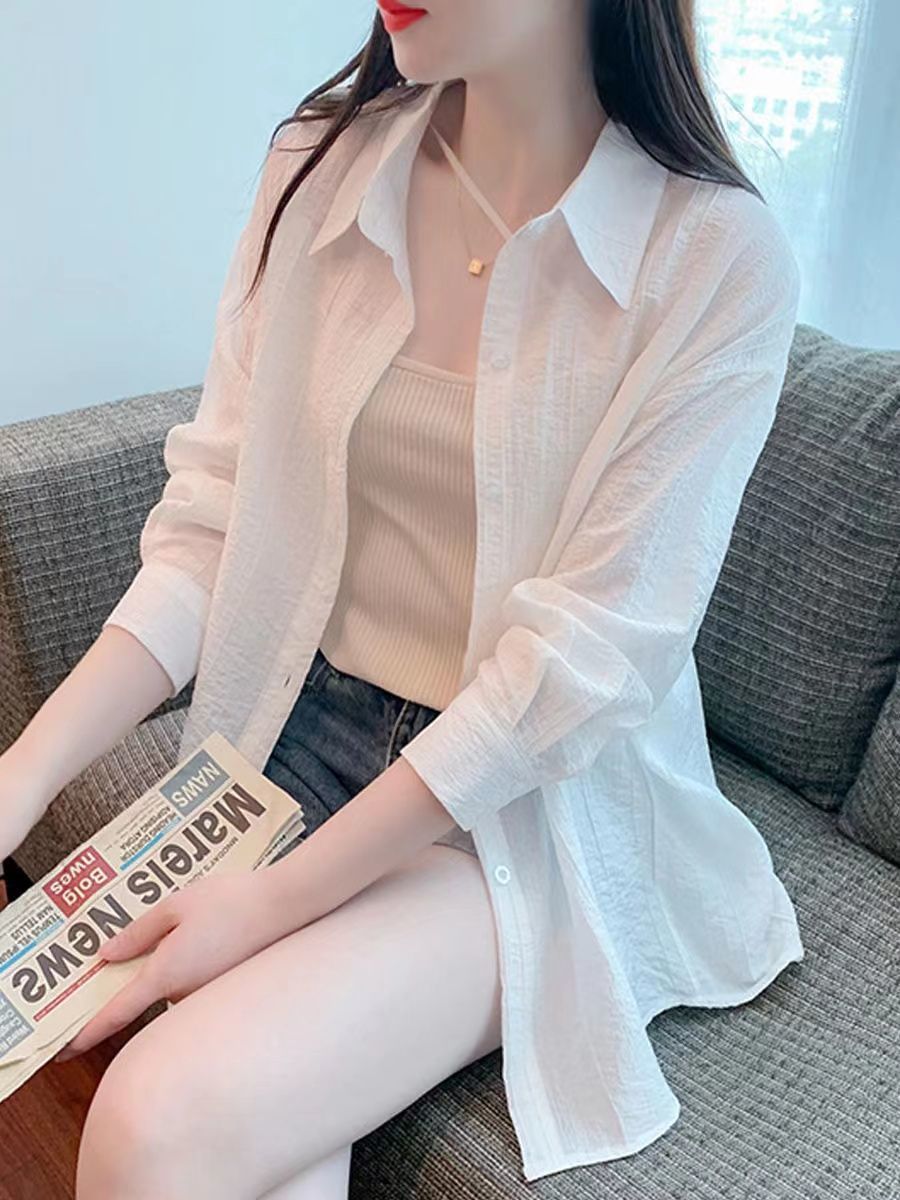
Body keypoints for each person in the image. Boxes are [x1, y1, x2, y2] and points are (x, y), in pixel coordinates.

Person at [0, 0, 806, 1195]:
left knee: (156, 1122)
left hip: (521, 815)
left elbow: (577, 674)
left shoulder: (714, 259)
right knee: (251, 1146)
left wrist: (268, 907)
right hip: (295, 730)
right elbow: (215, 526)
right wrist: (21, 776)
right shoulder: (320, 164)